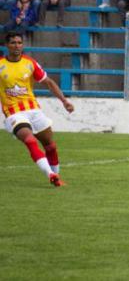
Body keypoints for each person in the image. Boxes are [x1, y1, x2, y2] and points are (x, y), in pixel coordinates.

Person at [0, 32, 74, 187]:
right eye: (13, 43)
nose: (17, 46)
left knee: (50, 145)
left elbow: (48, 82)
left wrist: (64, 101)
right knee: (30, 140)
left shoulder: (30, 63)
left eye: (20, 42)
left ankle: (57, 177)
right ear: (7, 45)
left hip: (33, 110)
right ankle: (51, 174)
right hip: (14, 113)